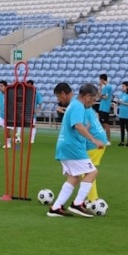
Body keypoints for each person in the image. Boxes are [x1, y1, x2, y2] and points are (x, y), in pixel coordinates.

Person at [47, 83, 105, 218]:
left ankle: (55, 208)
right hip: (72, 147)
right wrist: (94, 140)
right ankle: (77, 204)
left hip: (65, 146)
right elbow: (78, 125)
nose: (94, 102)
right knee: (92, 172)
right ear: (87, 96)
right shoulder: (78, 105)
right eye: (94, 99)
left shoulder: (75, 105)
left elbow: (82, 125)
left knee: (74, 178)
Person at [84, 104, 108, 203]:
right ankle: (91, 198)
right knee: (88, 170)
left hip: (94, 143)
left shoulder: (81, 109)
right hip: (101, 139)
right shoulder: (89, 108)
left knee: (88, 172)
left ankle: (92, 199)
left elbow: (86, 126)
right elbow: (95, 117)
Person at [117, 81, 128, 147]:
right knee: (122, 128)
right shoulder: (122, 94)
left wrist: (124, 103)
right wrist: (119, 102)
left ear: (127, 86)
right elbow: (120, 101)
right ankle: (122, 141)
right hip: (121, 113)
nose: (122, 87)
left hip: (127, 114)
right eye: (122, 86)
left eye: (123, 86)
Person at [26, 80, 44, 144]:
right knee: (20, 124)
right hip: (25, 112)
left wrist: (37, 110)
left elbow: (41, 103)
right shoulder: (24, 93)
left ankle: (32, 139)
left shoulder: (36, 93)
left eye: (30, 85)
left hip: (32, 113)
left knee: (32, 126)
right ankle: (18, 136)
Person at [98, 74, 113, 145]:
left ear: (102, 79)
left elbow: (105, 97)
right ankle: (103, 139)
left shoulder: (108, 87)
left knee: (105, 124)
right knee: (102, 124)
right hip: (102, 107)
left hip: (105, 108)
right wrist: (100, 87)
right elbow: (99, 96)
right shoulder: (104, 87)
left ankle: (108, 140)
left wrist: (101, 96)